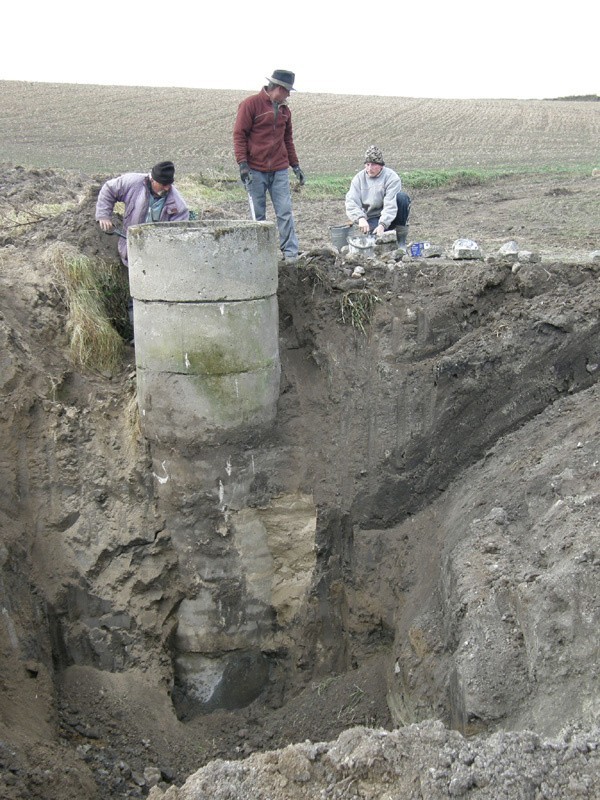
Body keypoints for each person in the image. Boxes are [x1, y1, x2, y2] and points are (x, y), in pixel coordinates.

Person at [233, 70, 305, 264]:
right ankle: (261, 256)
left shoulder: (285, 111)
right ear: (279, 89)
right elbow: (239, 135)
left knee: (285, 211)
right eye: (287, 91)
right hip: (255, 169)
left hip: (279, 169)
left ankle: (290, 254)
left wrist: (295, 165)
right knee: (258, 216)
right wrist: (243, 164)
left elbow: (287, 139)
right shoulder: (250, 105)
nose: (289, 95)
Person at [95, 160, 190, 267]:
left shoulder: (178, 205)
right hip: (129, 248)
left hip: (158, 257)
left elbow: (179, 235)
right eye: (163, 184)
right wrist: (103, 215)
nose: (167, 187)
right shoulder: (133, 183)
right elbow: (109, 189)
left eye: (169, 184)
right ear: (153, 180)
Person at [345, 146, 411, 247]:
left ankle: (401, 241)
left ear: (381, 166)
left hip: (391, 217)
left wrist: (383, 224)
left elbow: (391, 204)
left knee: (402, 198)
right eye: (367, 165)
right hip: (371, 218)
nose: (369, 168)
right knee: (376, 243)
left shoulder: (392, 178)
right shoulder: (358, 179)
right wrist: (360, 218)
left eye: (373, 165)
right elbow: (351, 202)